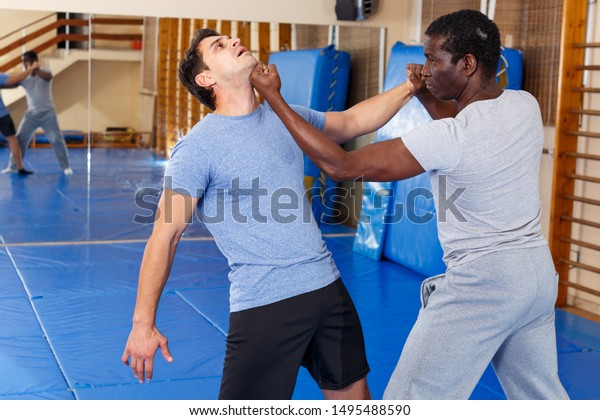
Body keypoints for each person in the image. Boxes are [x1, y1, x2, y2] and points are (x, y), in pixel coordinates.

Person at [250, 9, 569, 400]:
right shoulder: (525, 105)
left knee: (410, 401)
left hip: (484, 282)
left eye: (435, 59)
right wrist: (424, 92)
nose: (427, 68)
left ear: (467, 64)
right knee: (541, 398)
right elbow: (469, 119)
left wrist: (274, 98)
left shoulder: (449, 137)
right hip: (535, 275)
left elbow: (341, 165)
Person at [121, 28, 416, 400]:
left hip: (327, 288)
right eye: (219, 46)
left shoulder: (284, 116)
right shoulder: (197, 149)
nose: (232, 42)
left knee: (354, 402)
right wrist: (142, 323)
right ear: (206, 78)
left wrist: (410, 87)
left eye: (229, 38)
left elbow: (353, 121)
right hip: (266, 302)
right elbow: (165, 236)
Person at [2, 51, 73, 175]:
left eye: (26, 61)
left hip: (48, 114)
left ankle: (66, 166)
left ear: (34, 60)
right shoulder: (25, 77)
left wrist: (35, 69)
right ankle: (13, 166)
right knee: (20, 139)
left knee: (56, 139)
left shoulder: (45, 71)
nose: (24, 64)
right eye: (23, 62)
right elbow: (13, 83)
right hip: (31, 115)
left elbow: (48, 77)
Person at [0, 62, 40, 176]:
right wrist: (31, 69)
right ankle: (20, 168)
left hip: (2, 115)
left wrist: (16, 84)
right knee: (13, 140)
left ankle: (19, 168)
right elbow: (16, 79)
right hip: (2, 115)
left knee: (13, 141)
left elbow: (12, 84)